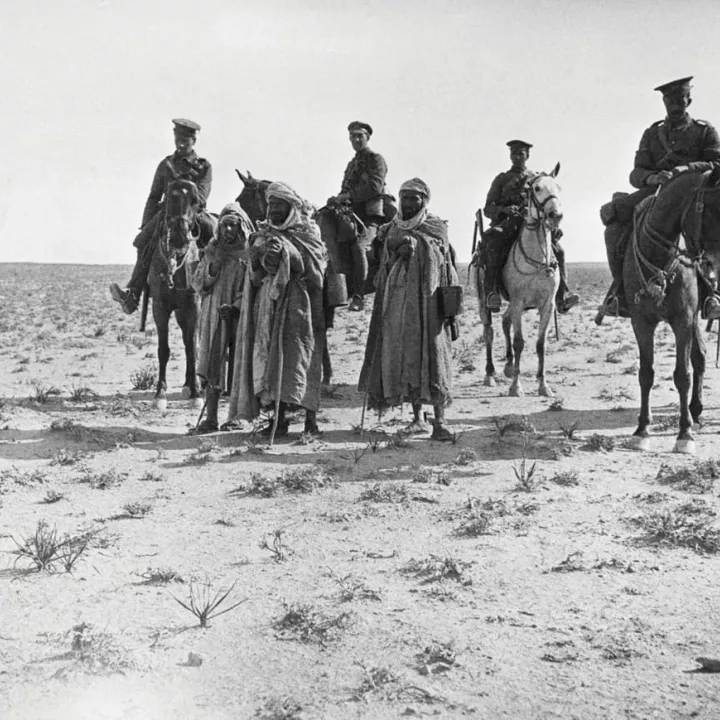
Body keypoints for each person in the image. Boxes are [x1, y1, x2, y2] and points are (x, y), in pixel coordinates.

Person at [598, 76, 720, 321]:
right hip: (657, 192)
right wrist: (652, 178)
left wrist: (685, 170)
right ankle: (620, 291)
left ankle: (712, 296)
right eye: (669, 100)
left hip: (697, 192)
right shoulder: (652, 134)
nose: (674, 105)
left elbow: (717, 163)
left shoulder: (704, 130)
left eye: (679, 99)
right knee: (613, 222)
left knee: (712, 227)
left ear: (688, 100)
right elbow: (636, 173)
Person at [358, 178, 459, 441]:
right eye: (405, 197)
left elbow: (444, 261)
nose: (409, 202)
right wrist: (395, 251)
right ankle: (417, 419)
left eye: (415, 198)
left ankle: (440, 421)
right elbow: (383, 267)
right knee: (407, 359)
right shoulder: (391, 230)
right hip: (399, 305)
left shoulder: (436, 228)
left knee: (434, 357)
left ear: (424, 201)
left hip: (430, 305)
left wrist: (418, 248)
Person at [227, 182, 328, 438]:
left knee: (304, 360)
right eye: (270, 204)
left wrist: (290, 255)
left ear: (291, 206)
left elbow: (316, 277)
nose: (272, 210)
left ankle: (311, 422)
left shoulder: (308, 234)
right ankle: (279, 420)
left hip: (303, 308)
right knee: (274, 361)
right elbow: (257, 275)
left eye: (278, 205)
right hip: (270, 308)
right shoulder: (264, 234)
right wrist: (259, 256)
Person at [109, 118, 214, 314]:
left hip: (194, 214)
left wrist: (184, 195)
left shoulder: (203, 166)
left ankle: (219, 290)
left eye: (186, 140)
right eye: (178, 139)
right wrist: (146, 224)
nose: (181, 143)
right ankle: (133, 294)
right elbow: (154, 196)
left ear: (194, 141)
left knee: (217, 236)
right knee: (142, 242)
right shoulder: (166, 165)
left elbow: (202, 195)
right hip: (167, 214)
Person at [481, 140, 579, 314]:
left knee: (559, 251)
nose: (517, 157)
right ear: (510, 156)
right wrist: (504, 209)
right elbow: (488, 208)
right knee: (494, 246)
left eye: (521, 153)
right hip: (508, 223)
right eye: (514, 153)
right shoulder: (502, 179)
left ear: (527, 156)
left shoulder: (536, 179)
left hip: (534, 223)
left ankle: (562, 295)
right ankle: (492, 293)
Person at [190, 203, 255, 434]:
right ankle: (210, 418)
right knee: (212, 363)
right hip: (213, 314)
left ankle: (238, 417)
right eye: (224, 225)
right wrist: (214, 266)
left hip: (240, 315)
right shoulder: (211, 250)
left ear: (241, 227)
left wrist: (236, 306)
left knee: (239, 365)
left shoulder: (248, 253)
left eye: (233, 226)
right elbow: (198, 284)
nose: (228, 230)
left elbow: (252, 287)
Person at [326, 121, 389, 311]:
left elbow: (375, 187)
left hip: (371, 217)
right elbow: (346, 189)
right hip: (350, 215)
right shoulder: (351, 164)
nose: (356, 139)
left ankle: (358, 296)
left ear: (367, 138)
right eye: (352, 136)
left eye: (359, 136)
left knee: (360, 247)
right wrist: (337, 199)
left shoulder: (376, 159)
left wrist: (348, 196)